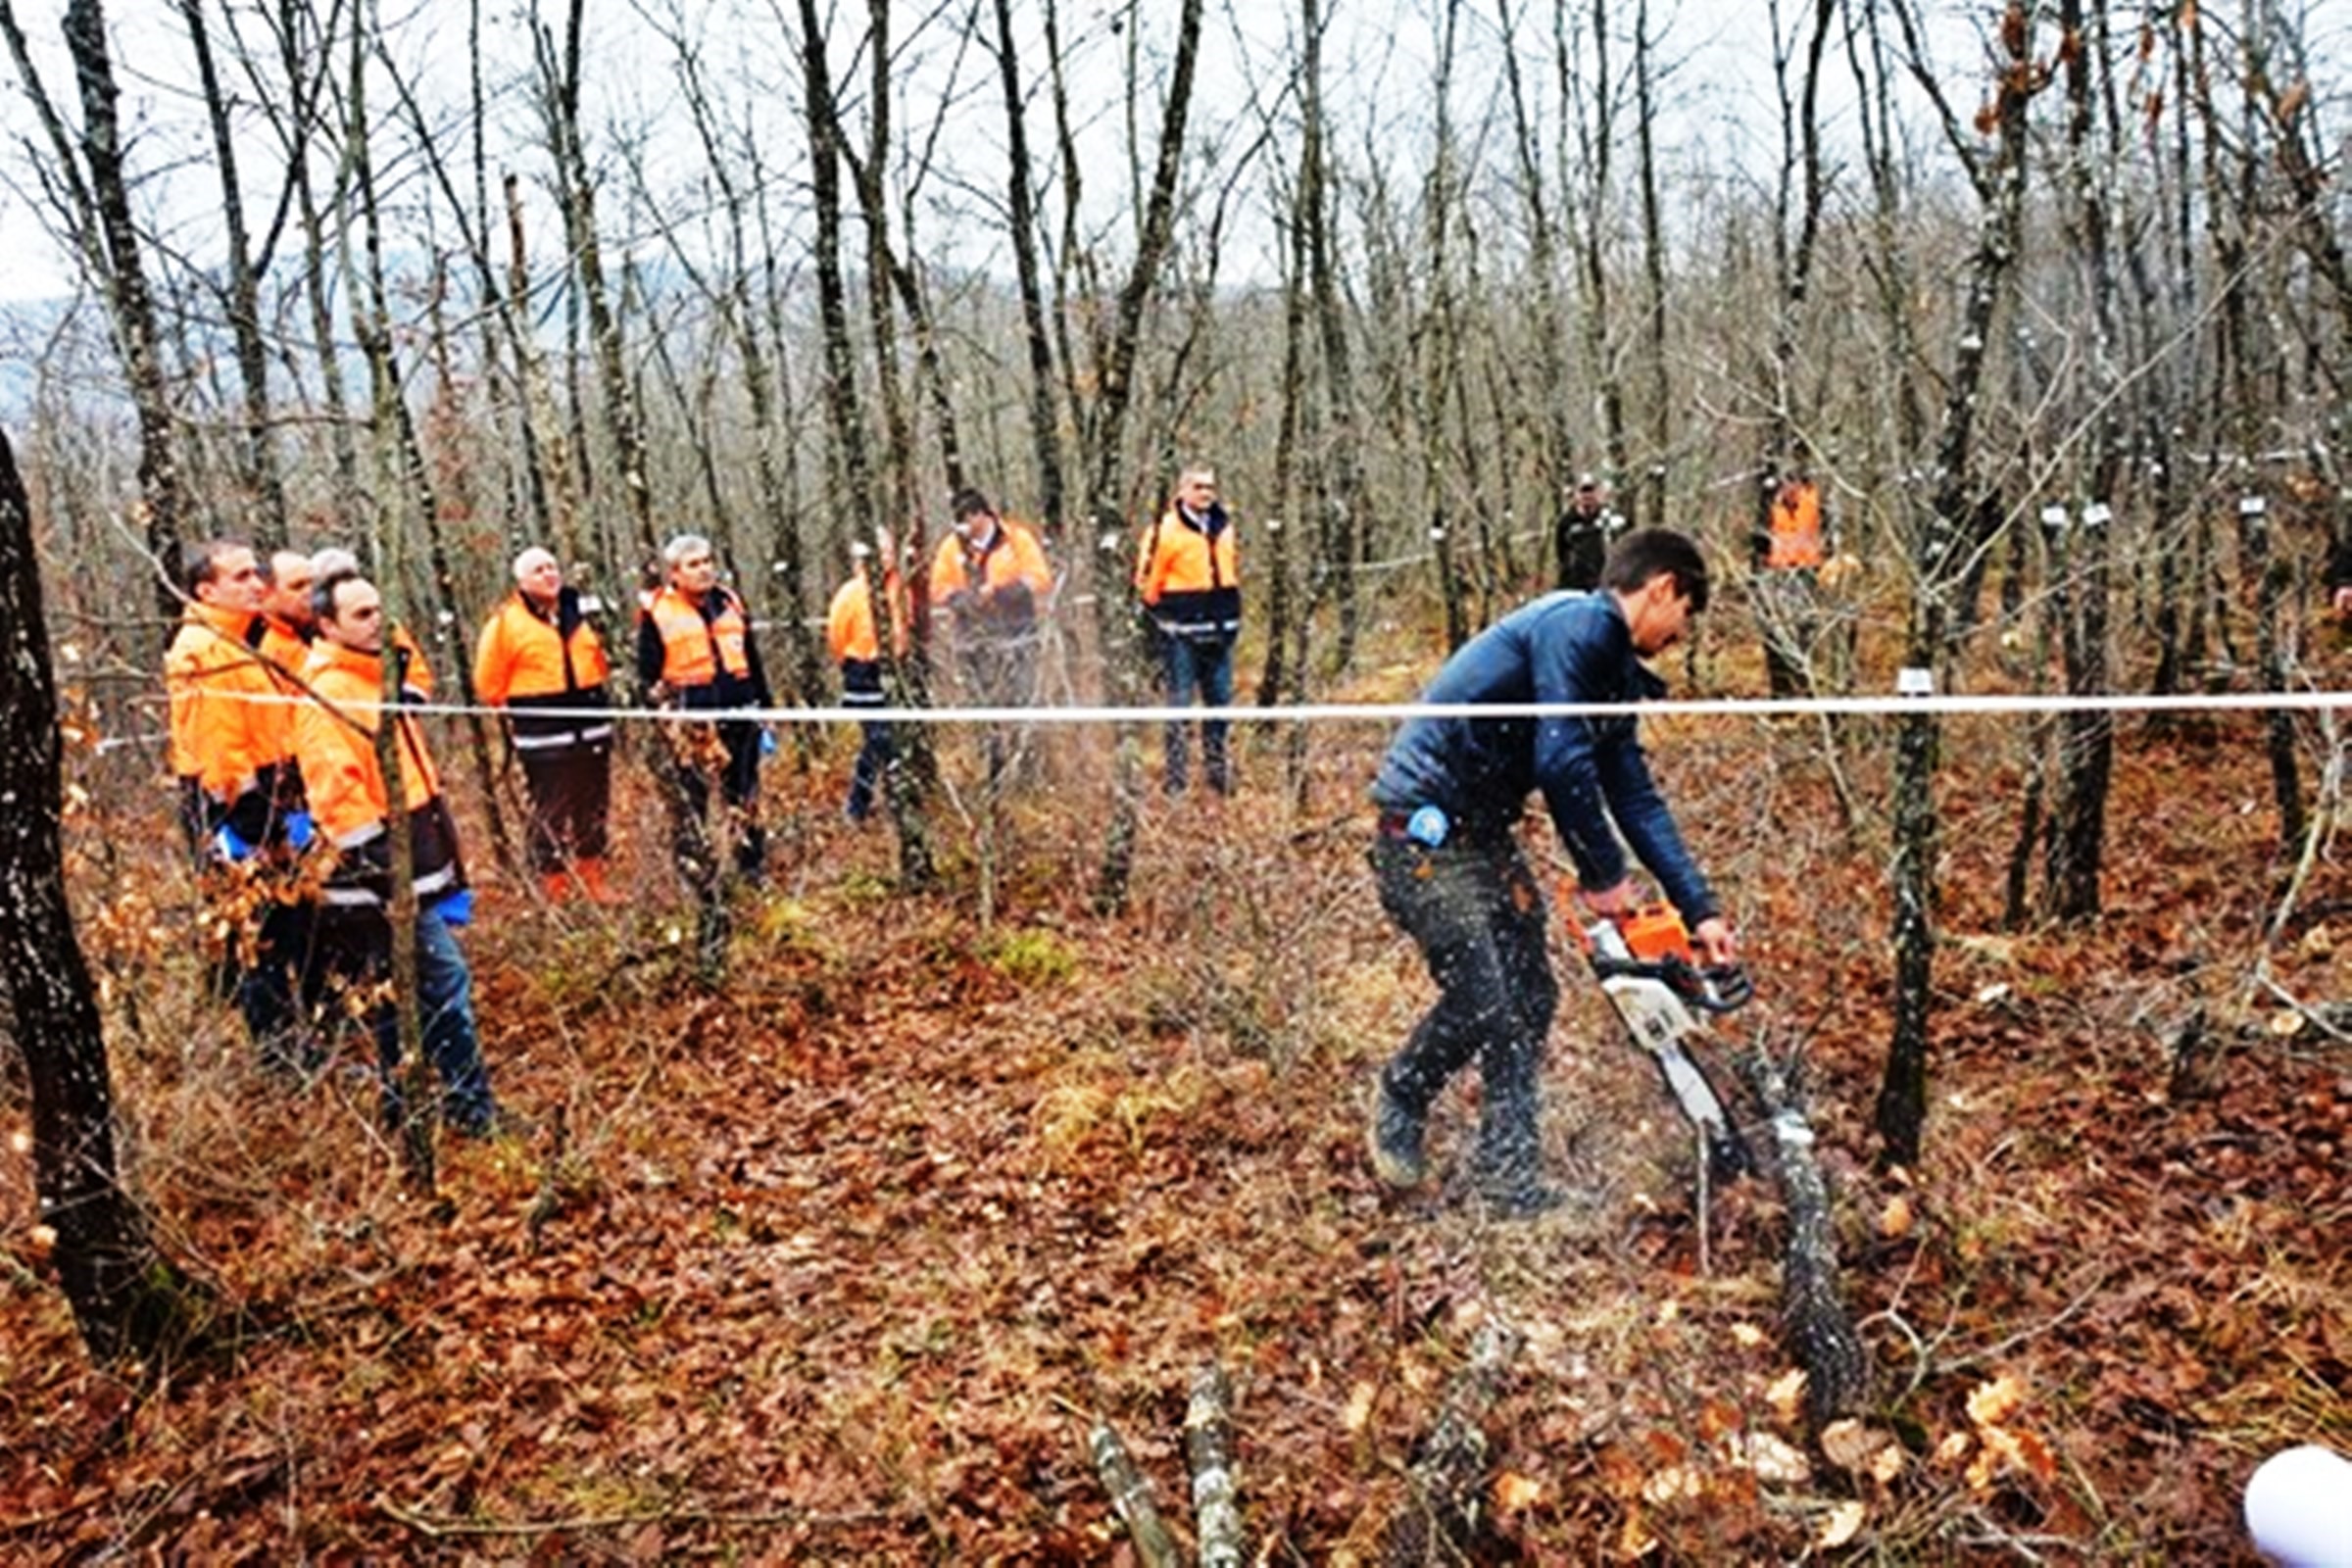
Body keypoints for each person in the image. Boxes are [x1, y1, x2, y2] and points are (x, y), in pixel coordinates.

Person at [1365, 528, 1737, 1219]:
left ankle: (1509, 1179)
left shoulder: (1611, 673)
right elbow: (1561, 759)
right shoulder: (1578, 626)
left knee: (1529, 996)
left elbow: (1633, 795)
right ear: (1663, 589)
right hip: (1422, 832)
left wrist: (1699, 909)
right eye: (1685, 614)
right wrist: (1602, 871)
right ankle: (1402, 1093)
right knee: (1484, 997)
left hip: (1484, 835)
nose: (1682, 635)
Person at [293, 568, 502, 1138]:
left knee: (394, 999)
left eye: (379, 609)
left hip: (404, 869)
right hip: (375, 883)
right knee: (443, 984)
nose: (377, 621)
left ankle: (402, 1109)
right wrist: (392, 879)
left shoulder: (375, 676)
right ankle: (472, 1112)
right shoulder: (328, 695)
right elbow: (340, 805)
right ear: (327, 625)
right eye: (360, 615)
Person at [165, 540, 317, 1076]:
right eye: (241, 576)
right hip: (236, 812)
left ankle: (305, 1046)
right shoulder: (200, 651)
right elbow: (221, 755)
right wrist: (255, 826)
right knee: (262, 937)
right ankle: (282, 1063)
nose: (256, 583)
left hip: (276, 795)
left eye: (257, 573)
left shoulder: (245, 641)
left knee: (297, 926)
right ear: (207, 590)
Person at [473, 547, 617, 902]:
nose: (549, 574)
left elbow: (603, 662)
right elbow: (487, 682)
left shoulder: (580, 614)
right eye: (539, 570)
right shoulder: (505, 624)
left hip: (593, 731)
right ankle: (554, 890)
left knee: (594, 806)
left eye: (553, 566)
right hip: (545, 739)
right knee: (551, 811)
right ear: (521, 580)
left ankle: (594, 881)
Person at [638, 532, 772, 892]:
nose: (704, 570)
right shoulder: (657, 611)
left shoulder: (730, 602)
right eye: (694, 564)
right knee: (691, 802)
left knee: (746, 796)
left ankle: (752, 869)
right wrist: (663, 712)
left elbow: (752, 658)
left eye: (707, 561)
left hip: (740, 714)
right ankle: (695, 874)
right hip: (692, 724)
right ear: (675, 573)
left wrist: (765, 704)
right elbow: (646, 675)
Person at [929, 487, 1053, 788]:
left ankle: (1030, 771)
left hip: (1018, 634)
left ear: (980, 515)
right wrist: (963, 599)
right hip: (973, 640)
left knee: (1023, 701)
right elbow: (938, 588)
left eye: (966, 520)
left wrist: (999, 592)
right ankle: (992, 773)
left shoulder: (1016, 539)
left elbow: (1040, 578)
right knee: (984, 707)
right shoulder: (951, 547)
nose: (964, 529)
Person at [1135, 465, 1242, 795]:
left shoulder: (1224, 527)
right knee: (1179, 706)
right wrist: (1166, 619)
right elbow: (1146, 584)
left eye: (1210, 486)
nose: (1206, 493)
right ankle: (1176, 780)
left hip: (1221, 633)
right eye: (1198, 487)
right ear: (1182, 491)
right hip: (1181, 635)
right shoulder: (1162, 531)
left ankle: (1217, 774)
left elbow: (1230, 571)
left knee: (1220, 706)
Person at [827, 530, 910, 822]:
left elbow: (910, 624)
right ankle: (857, 805)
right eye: (880, 551)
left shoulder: (902, 588)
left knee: (893, 740)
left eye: (889, 550)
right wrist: (859, 663)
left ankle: (898, 799)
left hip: (899, 672)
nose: (886, 557)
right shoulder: (850, 594)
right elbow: (836, 638)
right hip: (863, 673)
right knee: (878, 740)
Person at [1752, 468, 1830, 697]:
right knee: (1780, 630)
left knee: (1805, 629)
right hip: (1780, 573)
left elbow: (1828, 530)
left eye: (1793, 483)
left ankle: (1805, 684)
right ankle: (1786, 687)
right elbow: (1759, 539)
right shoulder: (1771, 507)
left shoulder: (1814, 503)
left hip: (1808, 572)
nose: (1789, 489)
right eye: (1785, 484)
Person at [1552, 472, 1622, 591]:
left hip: (1604, 581)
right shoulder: (1566, 522)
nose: (1587, 496)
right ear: (1576, 495)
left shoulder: (1609, 520)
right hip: (1574, 584)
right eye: (1583, 492)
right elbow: (1561, 553)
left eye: (1591, 491)